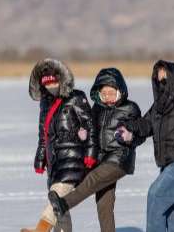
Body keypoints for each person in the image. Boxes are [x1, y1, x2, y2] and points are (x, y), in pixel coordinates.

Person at [118, 60, 174, 232]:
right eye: (158, 81)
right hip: (169, 161)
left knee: (156, 196)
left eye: (165, 81)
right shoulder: (159, 105)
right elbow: (146, 125)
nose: (161, 85)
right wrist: (129, 127)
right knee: (173, 208)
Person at [47, 67, 144, 232]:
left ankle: (64, 204)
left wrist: (131, 136)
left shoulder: (130, 108)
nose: (108, 98)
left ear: (120, 91)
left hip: (119, 159)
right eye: (104, 94)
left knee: (92, 179)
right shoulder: (97, 108)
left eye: (111, 93)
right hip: (101, 159)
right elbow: (89, 127)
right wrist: (81, 133)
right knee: (104, 204)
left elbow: (141, 132)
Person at [22, 59, 97, 232]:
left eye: (54, 82)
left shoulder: (76, 97)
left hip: (74, 158)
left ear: (62, 79)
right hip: (54, 161)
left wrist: (90, 155)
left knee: (56, 196)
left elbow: (90, 127)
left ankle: (41, 228)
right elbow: (44, 134)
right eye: (46, 83)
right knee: (60, 204)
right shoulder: (45, 103)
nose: (51, 86)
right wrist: (40, 158)